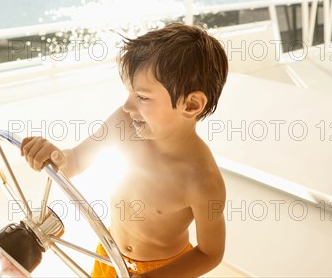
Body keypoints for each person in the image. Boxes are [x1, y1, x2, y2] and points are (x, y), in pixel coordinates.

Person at [21, 23, 228, 277]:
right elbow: (74, 161)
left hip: (162, 271)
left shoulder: (203, 181)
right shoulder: (126, 124)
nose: (127, 106)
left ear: (191, 104)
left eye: (142, 97)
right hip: (108, 256)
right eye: (129, 93)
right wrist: (54, 155)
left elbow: (210, 254)